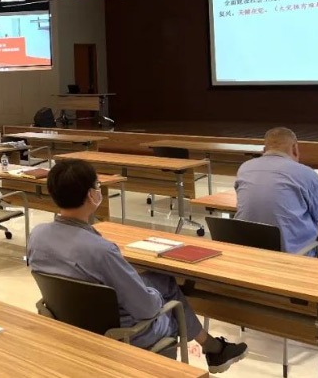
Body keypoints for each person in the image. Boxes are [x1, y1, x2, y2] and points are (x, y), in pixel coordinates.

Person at [28, 159, 247, 373]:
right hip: (125, 334)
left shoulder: (37, 235)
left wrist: (131, 277)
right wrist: (147, 290)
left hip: (70, 324)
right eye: (98, 185)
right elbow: (147, 309)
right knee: (168, 292)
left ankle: (214, 348)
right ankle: (212, 349)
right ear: (91, 195)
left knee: (158, 280)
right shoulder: (102, 251)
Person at [235, 127, 318, 262]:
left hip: (250, 252)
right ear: (295, 149)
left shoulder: (244, 168)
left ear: (264, 150)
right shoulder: (304, 173)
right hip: (290, 257)